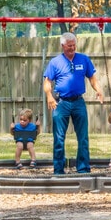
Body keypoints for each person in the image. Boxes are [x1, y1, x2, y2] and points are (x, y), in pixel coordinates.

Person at [43, 32, 104, 175]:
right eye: (69, 46)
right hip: (61, 103)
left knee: (83, 137)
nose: (72, 48)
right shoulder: (55, 62)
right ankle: (58, 170)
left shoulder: (83, 59)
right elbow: (47, 81)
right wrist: (49, 96)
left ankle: (83, 168)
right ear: (62, 46)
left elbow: (92, 78)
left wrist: (99, 90)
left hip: (78, 102)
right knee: (59, 137)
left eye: (74, 45)